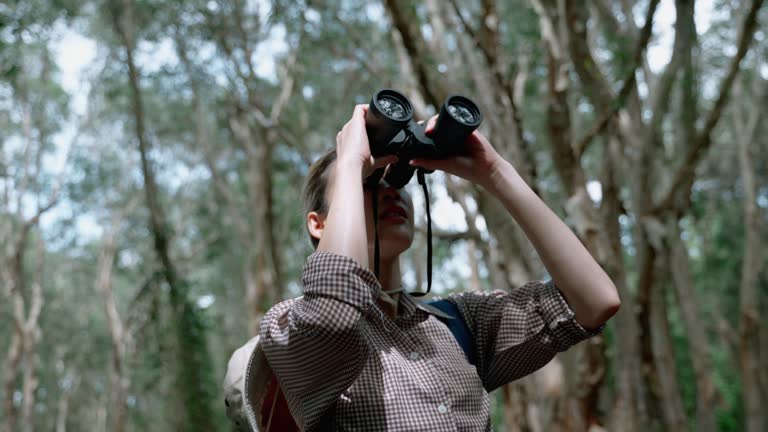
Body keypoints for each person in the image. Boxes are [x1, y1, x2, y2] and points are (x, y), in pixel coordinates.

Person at [224, 105, 621, 431]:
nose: (389, 190)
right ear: (318, 224)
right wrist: (348, 164)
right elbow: (334, 315)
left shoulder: (457, 323)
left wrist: (496, 173)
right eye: (368, 183)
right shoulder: (289, 328)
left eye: (396, 179)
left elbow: (594, 302)